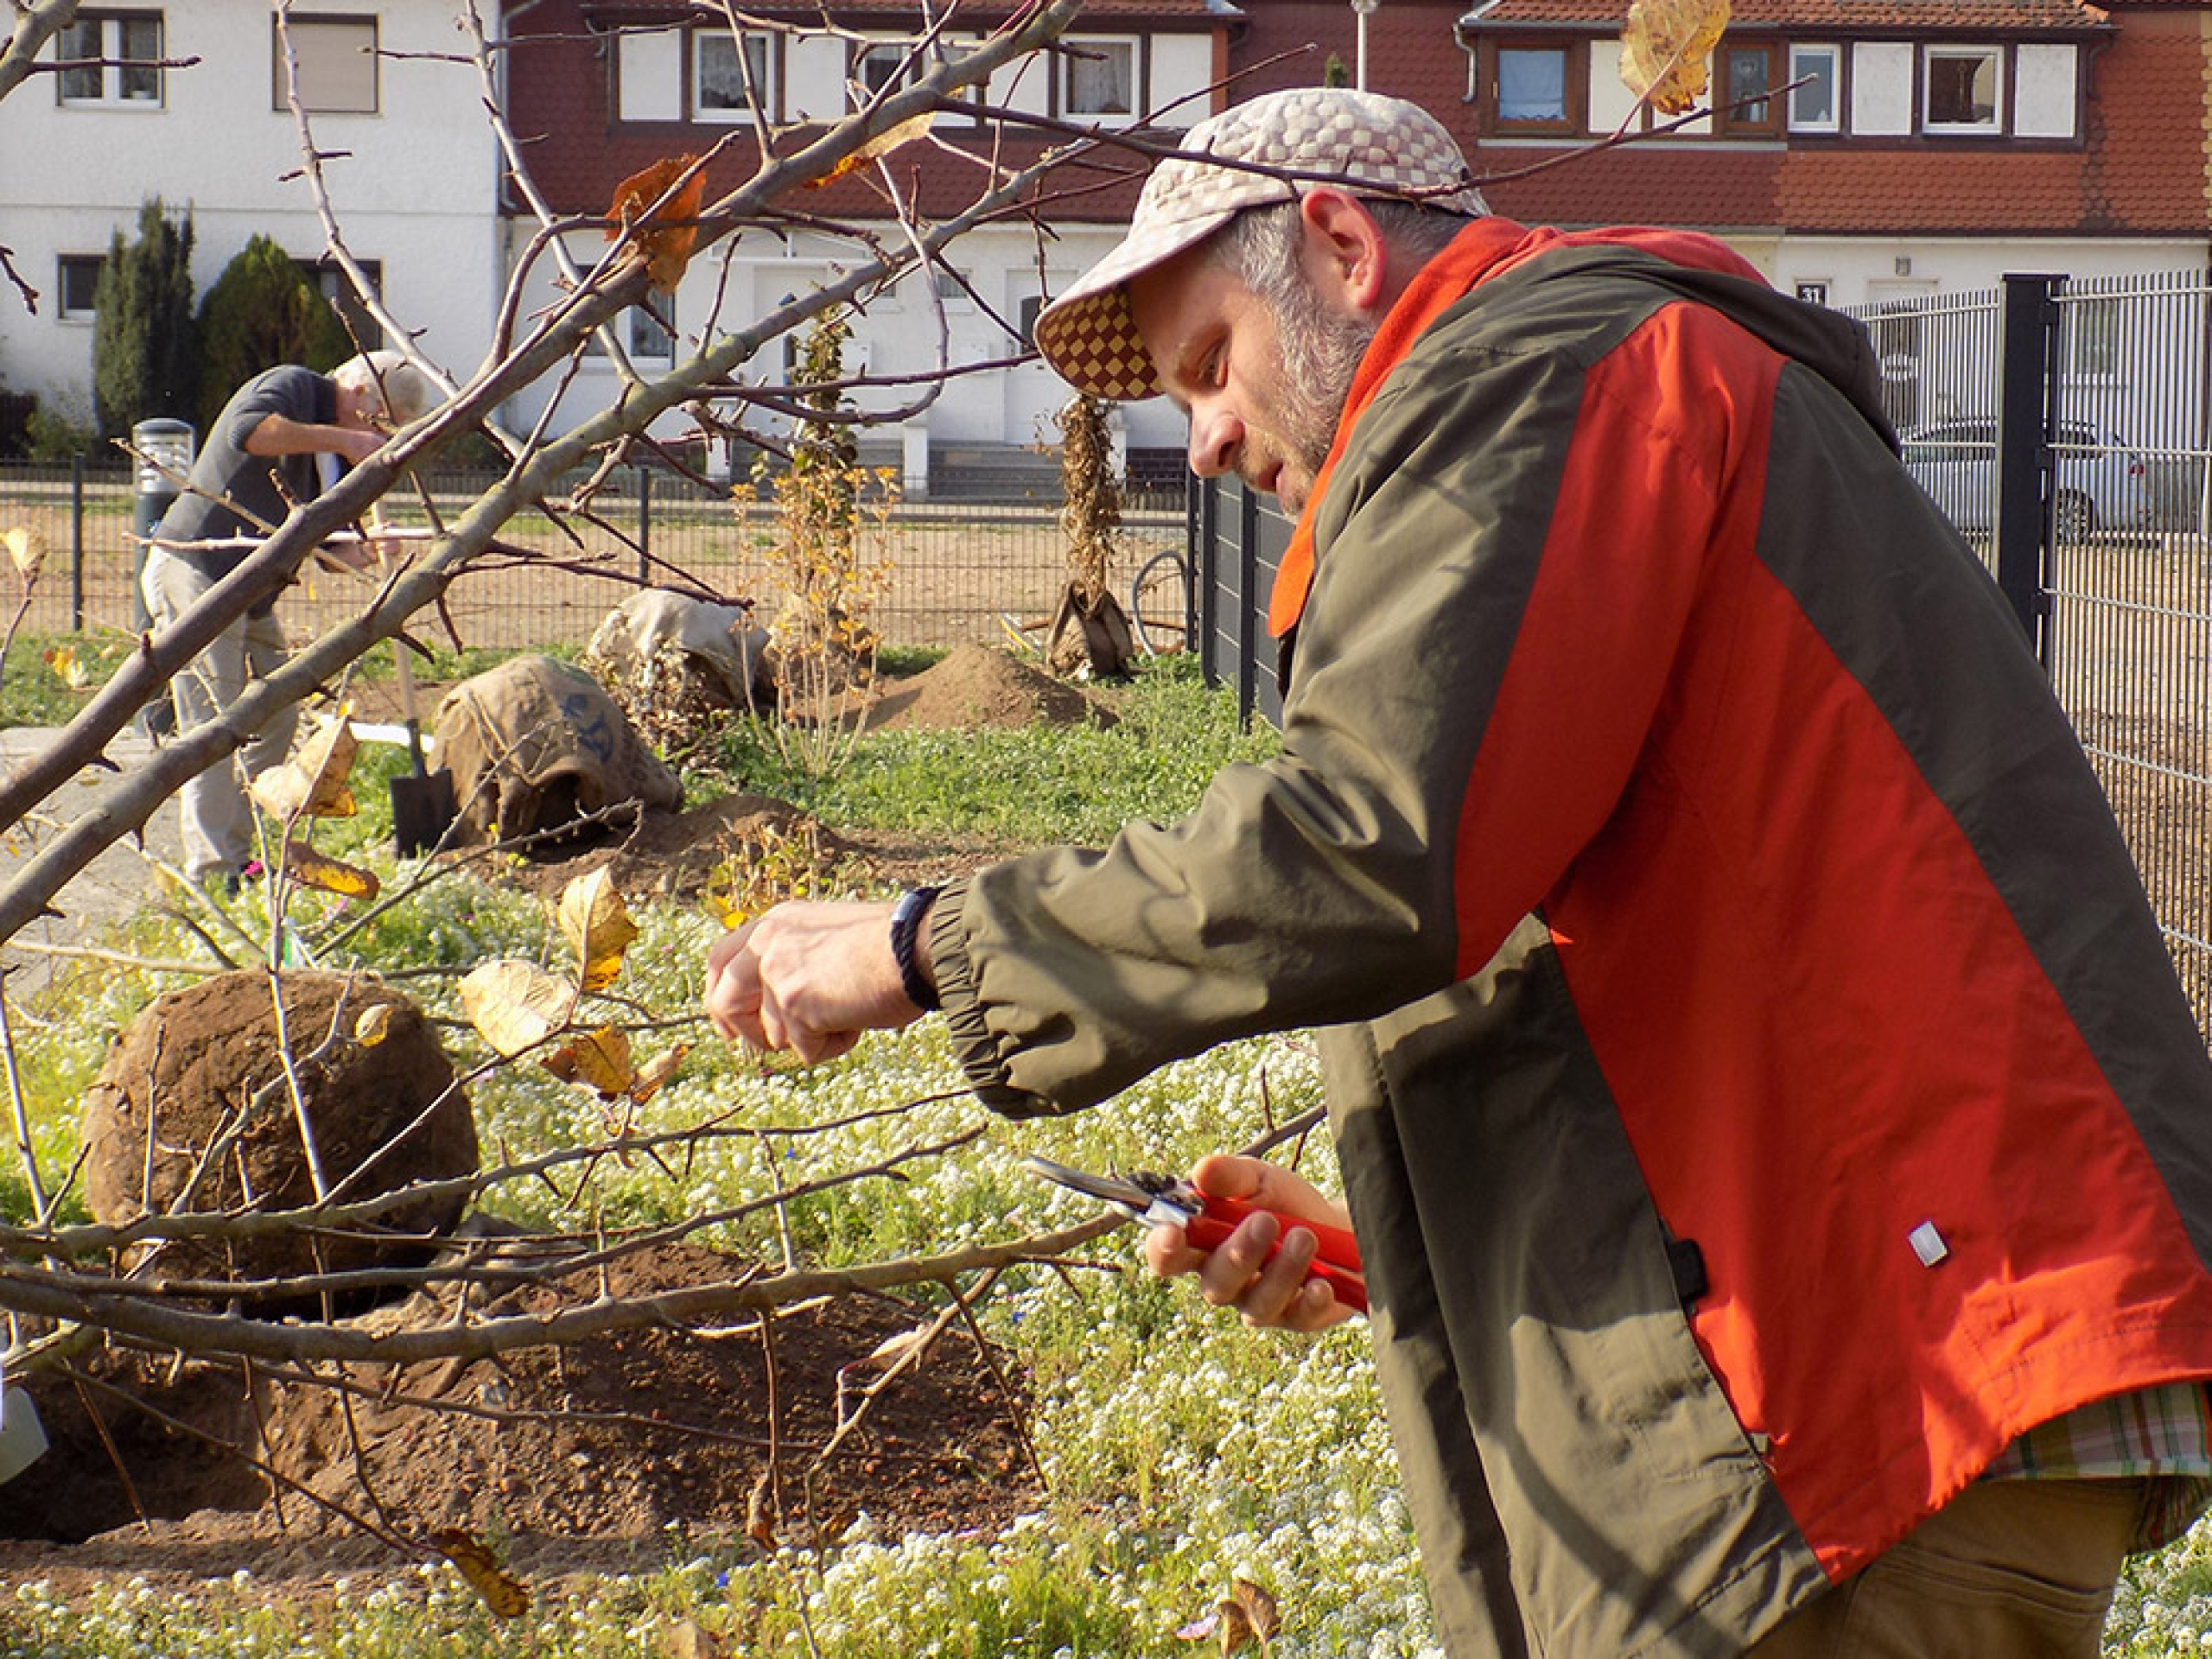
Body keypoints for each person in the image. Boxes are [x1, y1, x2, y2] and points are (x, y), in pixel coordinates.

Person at [702, 88, 2212, 1656]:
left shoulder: (1538, 373)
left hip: (1883, 1385)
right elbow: (1651, 938)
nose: (1204, 436)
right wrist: (1385, 1247)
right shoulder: (1597, 398)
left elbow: (1374, 843)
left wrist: (924, 944)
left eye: (1212, 362)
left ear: (1341, 244)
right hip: (1885, 1360)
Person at [141, 350, 436, 890]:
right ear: (354, 392)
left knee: (276, 711)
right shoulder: (295, 388)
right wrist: (343, 440)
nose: (375, 436)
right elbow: (248, 433)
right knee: (214, 722)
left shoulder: (334, 455)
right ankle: (213, 871)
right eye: (375, 422)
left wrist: (363, 553)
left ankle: (247, 850)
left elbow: (321, 542)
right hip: (197, 569)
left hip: (252, 590)